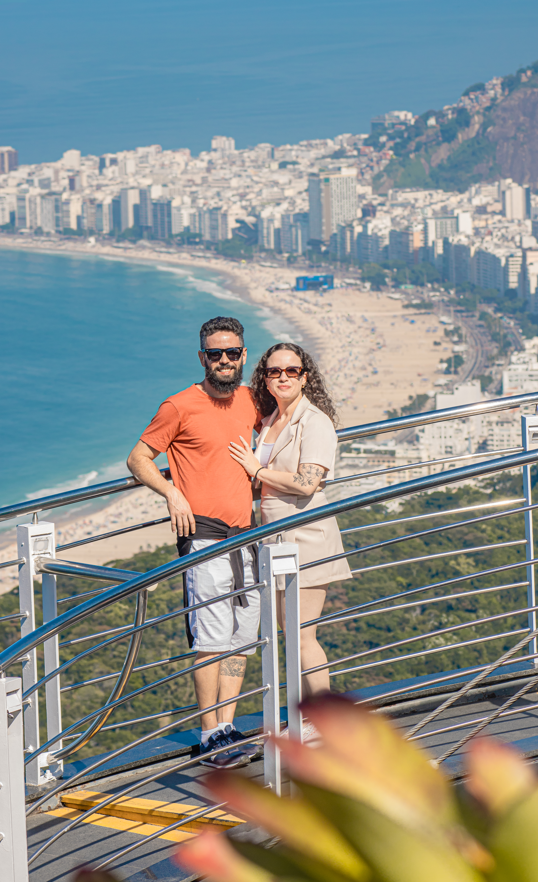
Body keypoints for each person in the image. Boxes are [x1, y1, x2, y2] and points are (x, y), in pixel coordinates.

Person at [127, 316, 262, 769]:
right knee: (211, 640)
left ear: (244, 355)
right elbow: (139, 458)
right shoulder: (179, 406)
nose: (224, 360)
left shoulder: (250, 400)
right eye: (215, 353)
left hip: (249, 538)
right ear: (202, 357)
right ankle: (209, 736)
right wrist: (172, 492)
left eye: (233, 353)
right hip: (204, 539)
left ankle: (227, 726)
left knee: (241, 641)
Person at [228, 342, 351, 707]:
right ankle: (307, 717)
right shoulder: (268, 423)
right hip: (276, 538)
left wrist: (258, 470)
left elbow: (307, 482)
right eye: (274, 371)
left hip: (307, 537)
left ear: (304, 377)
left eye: (291, 371)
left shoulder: (315, 422)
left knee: (302, 635)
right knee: (289, 633)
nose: (283, 377)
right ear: (264, 378)